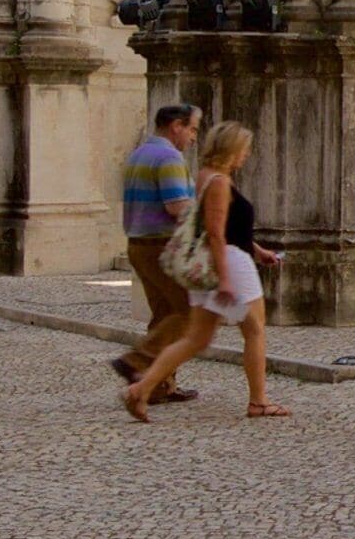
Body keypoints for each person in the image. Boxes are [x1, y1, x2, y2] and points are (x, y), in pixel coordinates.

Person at [123, 122, 287, 422]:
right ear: (232, 150)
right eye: (244, 149)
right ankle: (259, 401)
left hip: (213, 264)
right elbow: (215, 232)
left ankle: (141, 389)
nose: (247, 155)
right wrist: (225, 280)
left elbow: (225, 226)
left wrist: (258, 250)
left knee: (196, 338)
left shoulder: (206, 177)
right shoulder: (220, 183)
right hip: (229, 266)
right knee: (254, 331)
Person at [115, 104, 206, 400]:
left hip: (138, 244)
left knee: (164, 313)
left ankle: (157, 386)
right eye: (192, 129)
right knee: (190, 312)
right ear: (176, 126)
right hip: (161, 246)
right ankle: (137, 361)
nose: (193, 137)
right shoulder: (168, 156)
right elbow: (176, 205)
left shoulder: (139, 153)